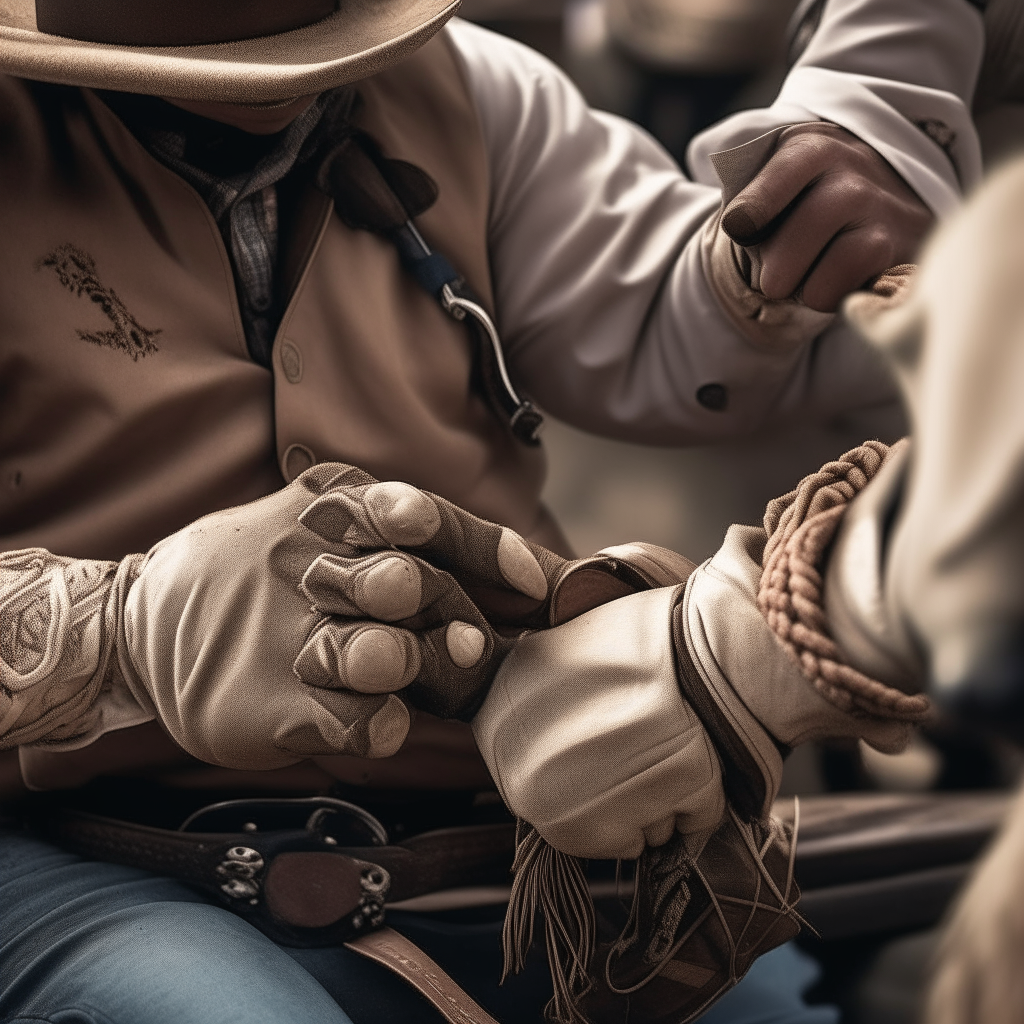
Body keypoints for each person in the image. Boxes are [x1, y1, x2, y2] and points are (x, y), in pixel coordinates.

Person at [0, 0, 987, 1021]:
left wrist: (832, 182)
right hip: (73, 852)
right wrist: (115, 632)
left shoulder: (466, 92)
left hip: (502, 841)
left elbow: (676, 317)